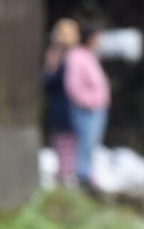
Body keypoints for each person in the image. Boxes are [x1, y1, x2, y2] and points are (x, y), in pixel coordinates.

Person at [63, 21, 111, 191]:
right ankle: (82, 176)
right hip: (86, 109)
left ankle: (89, 174)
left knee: (91, 144)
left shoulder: (90, 56)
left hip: (96, 108)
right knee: (85, 143)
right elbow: (74, 86)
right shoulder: (77, 56)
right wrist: (88, 102)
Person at [43, 18, 81, 186]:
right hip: (61, 105)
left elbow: (51, 81)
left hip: (69, 106)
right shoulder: (58, 56)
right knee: (62, 138)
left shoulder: (71, 57)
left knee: (67, 139)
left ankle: (66, 174)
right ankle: (64, 174)